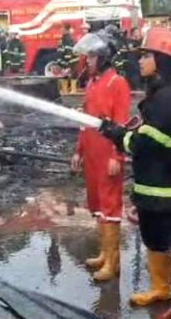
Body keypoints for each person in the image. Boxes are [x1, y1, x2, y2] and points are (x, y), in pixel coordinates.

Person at [100, 27, 171, 319]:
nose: (141, 60)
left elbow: (144, 143)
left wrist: (116, 135)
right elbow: (145, 135)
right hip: (151, 187)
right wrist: (119, 131)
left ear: (162, 61)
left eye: (146, 55)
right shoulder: (158, 96)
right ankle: (161, 289)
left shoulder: (166, 99)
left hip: (168, 190)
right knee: (153, 238)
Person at [70, 31, 131, 282]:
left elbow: (121, 123)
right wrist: (78, 151)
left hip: (108, 153)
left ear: (104, 57)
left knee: (110, 206)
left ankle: (113, 262)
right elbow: (85, 123)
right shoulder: (92, 83)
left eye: (92, 56)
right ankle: (105, 254)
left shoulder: (117, 83)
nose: (88, 60)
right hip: (92, 154)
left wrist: (117, 156)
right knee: (97, 204)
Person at [58, 23, 78, 93]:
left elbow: (68, 53)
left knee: (71, 75)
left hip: (70, 62)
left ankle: (72, 92)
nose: (61, 29)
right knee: (65, 76)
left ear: (66, 29)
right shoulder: (64, 38)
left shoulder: (68, 39)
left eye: (62, 28)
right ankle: (66, 91)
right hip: (68, 62)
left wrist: (68, 66)